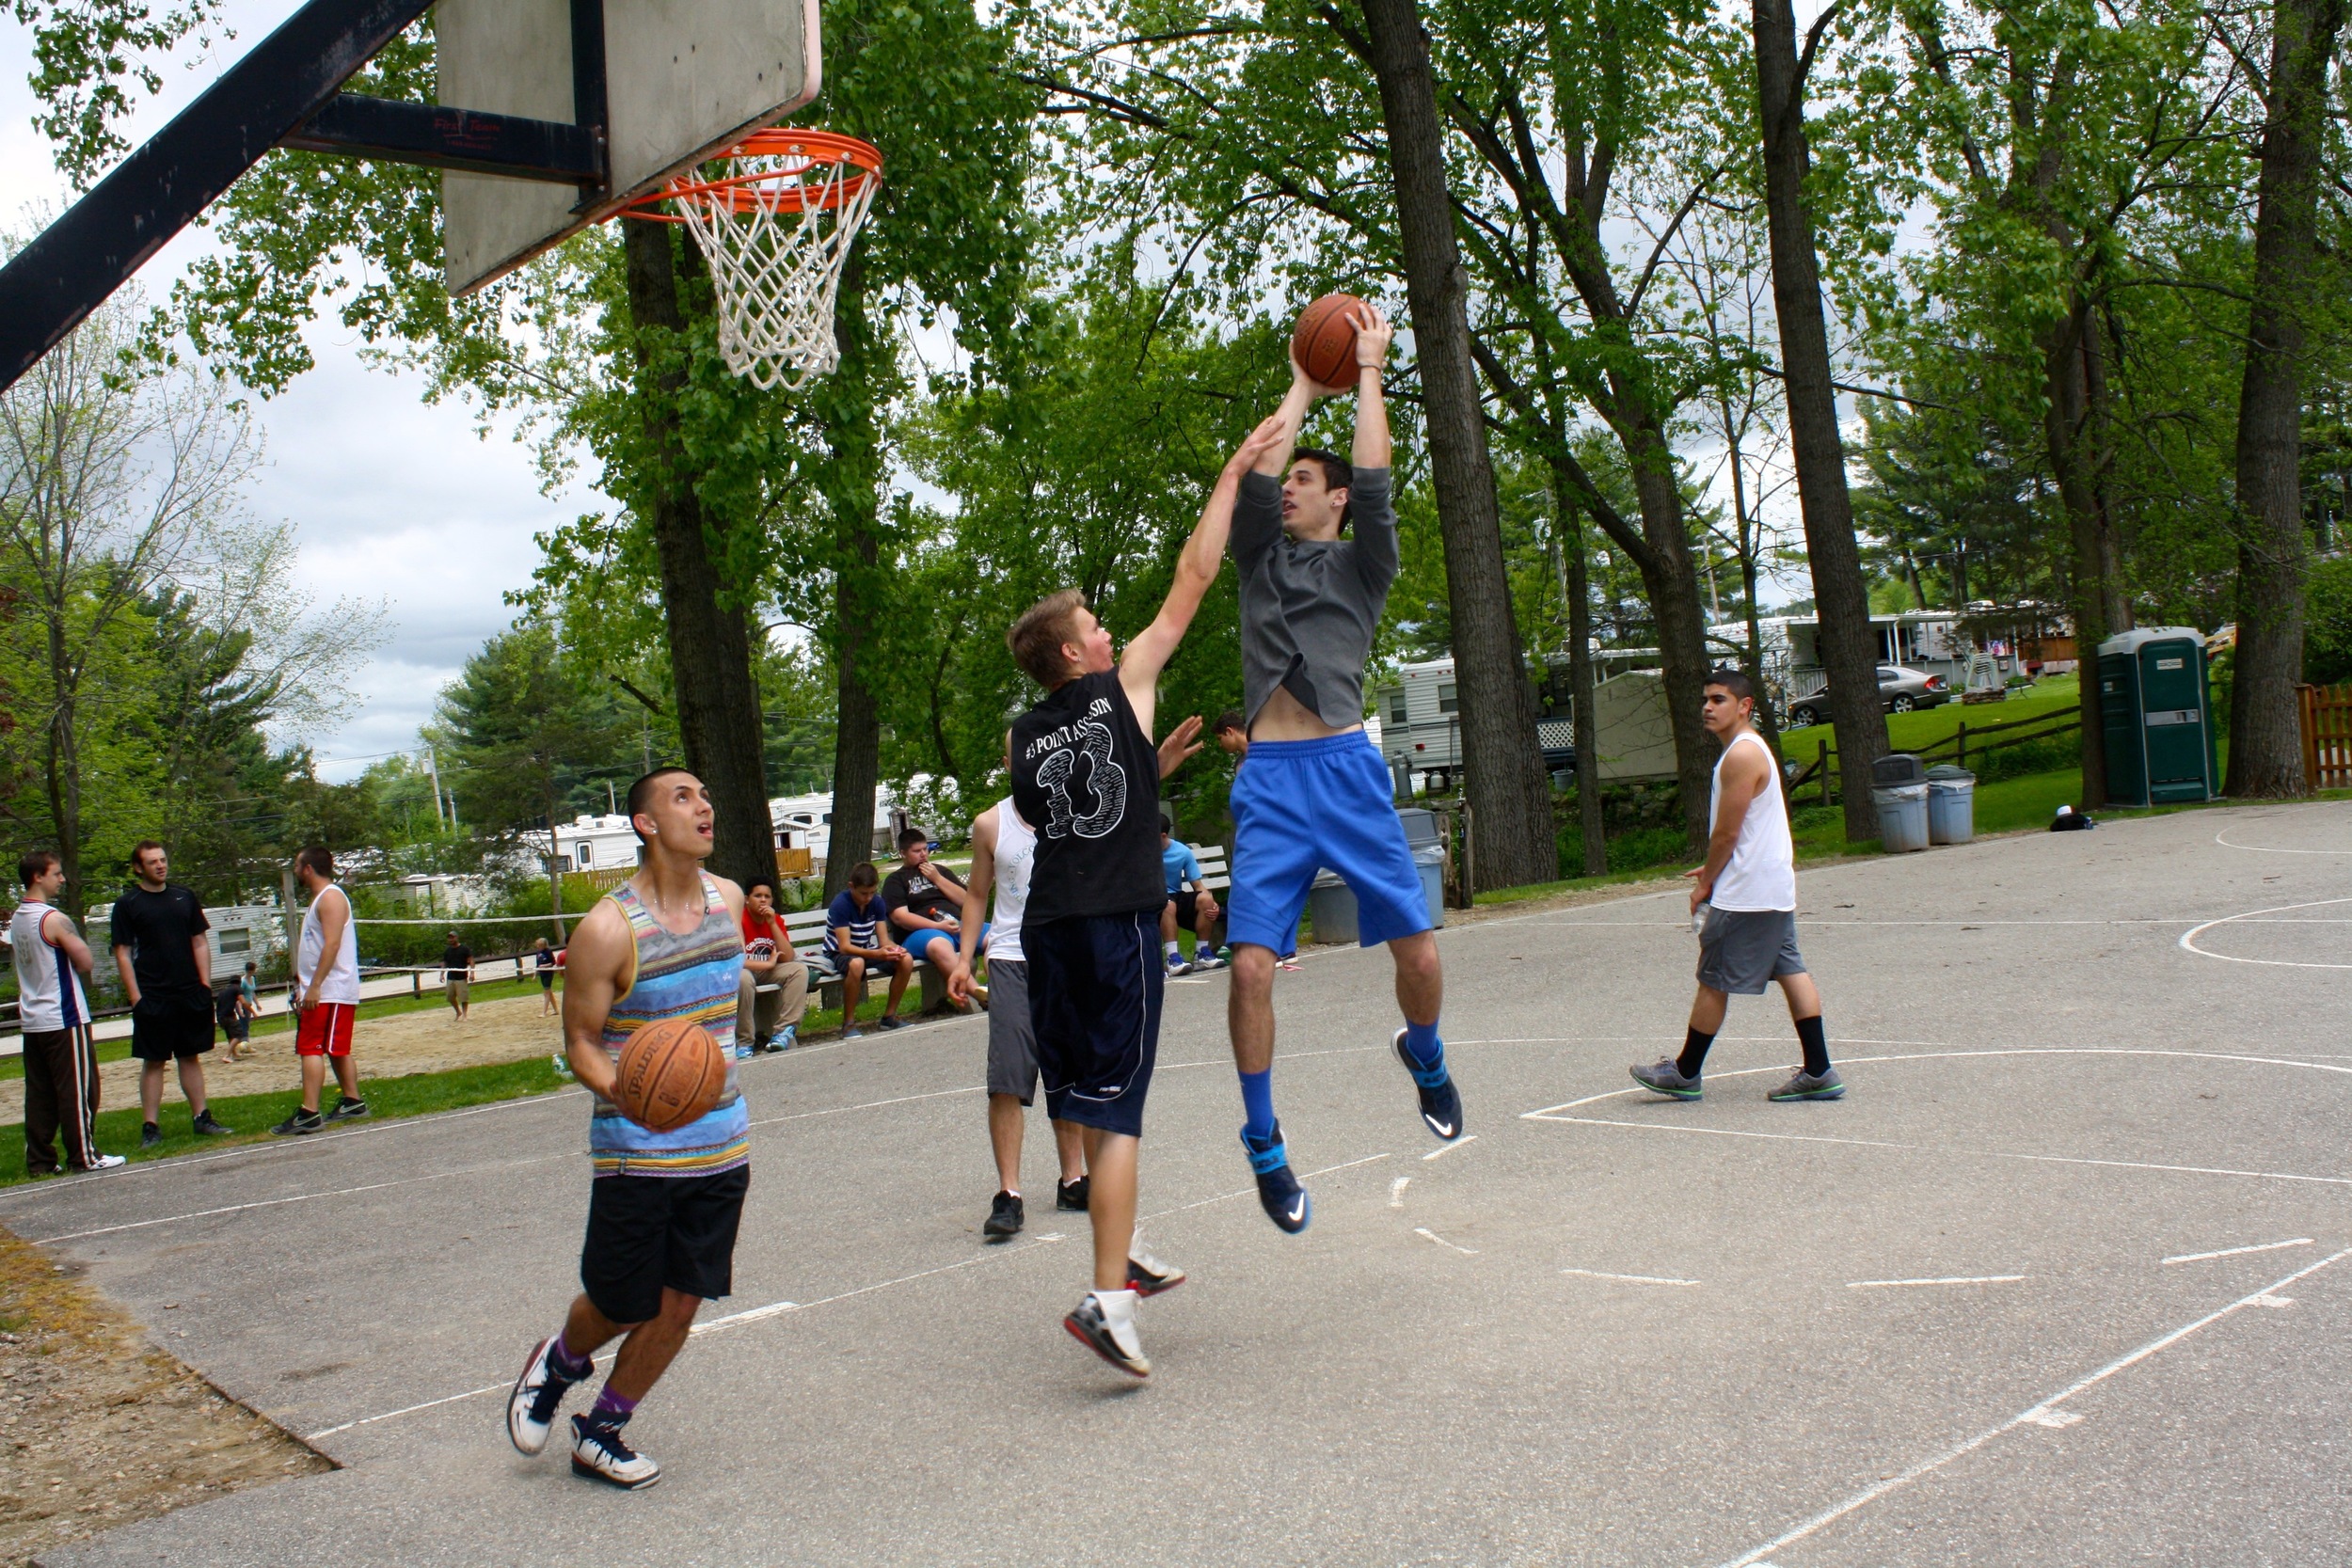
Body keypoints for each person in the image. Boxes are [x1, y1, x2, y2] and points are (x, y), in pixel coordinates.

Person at [946, 414, 1279, 1378]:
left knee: (1088, 1092)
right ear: (1076, 655)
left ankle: (1116, 1239)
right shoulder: (1119, 681)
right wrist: (1228, 471)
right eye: (1093, 624)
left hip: (1045, 929)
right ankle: (1107, 1299)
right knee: (1121, 1105)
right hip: (1115, 924)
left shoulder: (1026, 737)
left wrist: (1148, 763)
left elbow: (1079, 811)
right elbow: (1193, 579)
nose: (1108, 628)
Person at [1221, 305, 1458, 1238]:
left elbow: (1374, 470)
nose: (1293, 489)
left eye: (1309, 481)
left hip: (1348, 770)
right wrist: (1300, 383)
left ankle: (1427, 1055)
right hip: (1273, 783)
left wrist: (1366, 369)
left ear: (1338, 503)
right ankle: (1264, 1140)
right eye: (1294, 478)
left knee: (1423, 954)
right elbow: (1255, 479)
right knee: (1247, 971)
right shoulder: (1256, 561)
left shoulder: (1366, 564)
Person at [504, 768, 754, 1490]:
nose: (704, 805)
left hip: (723, 1142)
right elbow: (581, 1038)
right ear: (644, 823)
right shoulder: (608, 929)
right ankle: (557, 1366)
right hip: (637, 1151)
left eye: (707, 794)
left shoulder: (729, 900)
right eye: (682, 797)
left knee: (681, 1301)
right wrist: (630, 1092)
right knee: (621, 1301)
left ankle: (603, 1427)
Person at [957, 722, 1208, 1242]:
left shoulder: (1073, 810)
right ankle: (1009, 1193)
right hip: (1010, 956)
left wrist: (1157, 763)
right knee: (1009, 1072)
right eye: (1018, 757)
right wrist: (964, 957)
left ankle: (1073, 1178)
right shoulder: (991, 824)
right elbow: (977, 895)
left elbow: (1125, 797)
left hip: (1066, 951)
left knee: (1069, 1072)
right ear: (1009, 765)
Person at [1629, 670, 1846, 1103]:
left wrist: (1707, 881)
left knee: (1713, 979)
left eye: (1719, 699)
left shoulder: (1742, 755)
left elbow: (1727, 834)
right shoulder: (1749, 750)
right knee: (1791, 970)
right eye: (1705, 699)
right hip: (1771, 886)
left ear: (1744, 706)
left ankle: (1686, 1072)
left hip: (1747, 892)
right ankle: (1819, 1071)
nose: (1708, 707)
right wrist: (1710, 870)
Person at [111, 842, 231, 1148]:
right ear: (139, 867)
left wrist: (204, 984)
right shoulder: (128, 904)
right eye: (152, 862)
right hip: (152, 995)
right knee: (154, 1060)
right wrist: (136, 997)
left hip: (189, 991)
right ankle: (150, 1126)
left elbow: (200, 942)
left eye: (163, 860)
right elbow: (122, 953)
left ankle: (202, 1117)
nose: (160, 866)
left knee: (190, 1056)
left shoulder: (184, 896)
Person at [11, 850, 122, 1174]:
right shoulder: (52, 918)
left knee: (40, 1093)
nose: (62, 879)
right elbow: (85, 962)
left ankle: (40, 1160)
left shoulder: (18, 918)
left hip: (33, 1018)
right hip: (63, 1016)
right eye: (56, 874)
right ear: (38, 877)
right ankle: (83, 1155)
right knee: (78, 1090)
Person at [271, 847, 371, 1135]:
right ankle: (353, 1101)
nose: (295, 870)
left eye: (296, 865)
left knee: (310, 1047)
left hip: (330, 989)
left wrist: (314, 986)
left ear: (308, 869)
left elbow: (332, 945)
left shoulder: (331, 897)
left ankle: (309, 1112)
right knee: (335, 1048)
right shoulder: (322, 899)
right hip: (325, 988)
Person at [1211, 714, 1299, 973]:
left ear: (1230, 731)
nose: (1220, 745)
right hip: (1255, 832)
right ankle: (1269, 947)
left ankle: (1280, 947)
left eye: (1220, 739)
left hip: (1277, 829)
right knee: (1261, 887)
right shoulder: (1241, 763)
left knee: (1276, 886)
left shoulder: (1270, 749)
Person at [882, 830, 987, 990]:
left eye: (925, 849)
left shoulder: (940, 871)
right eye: (917, 851)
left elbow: (967, 901)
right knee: (940, 946)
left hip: (959, 925)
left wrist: (937, 879)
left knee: (996, 938)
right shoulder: (896, 880)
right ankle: (978, 993)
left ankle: (999, 990)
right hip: (922, 933)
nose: (923, 854)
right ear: (902, 853)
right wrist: (938, 926)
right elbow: (900, 917)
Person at [821, 864, 912, 1037]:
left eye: (872, 892)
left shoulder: (877, 902)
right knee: (856, 963)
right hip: (838, 953)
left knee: (905, 959)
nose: (868, 898)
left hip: (865, 950)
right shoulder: (840, 904)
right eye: (863, 893)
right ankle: (848, 1024)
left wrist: (895, 949)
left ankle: (889, 1017)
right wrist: (878, 953)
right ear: (851, 887)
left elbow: (884, 940)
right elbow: (845, 947)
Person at [737, 875, 809, 1055]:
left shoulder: (775, 919)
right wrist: (767, 964)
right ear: (747, 899)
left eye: (767, 896)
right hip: (746, 971)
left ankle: (783, 1032)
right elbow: (735, 960)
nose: (762, 900)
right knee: (742, 978)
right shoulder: (739, 919)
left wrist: (772, 924)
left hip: (768, 970)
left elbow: (788, 957)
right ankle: (745, 1042)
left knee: (799, 970)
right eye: (757, 896)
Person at [1159, 820, 1225, 975]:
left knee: (1206, 900)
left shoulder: (1182, 852)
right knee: (1168, 904)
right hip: (1153, 899)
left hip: (1175, 896)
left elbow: (1198, 885)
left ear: (1163, 835)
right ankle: (1173, 959)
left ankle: (1202, 954)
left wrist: (1213, 904)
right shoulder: (1142, 852)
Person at [442, 931, 473, 1020]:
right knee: (450, 997)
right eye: (449, 938)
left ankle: (464, 1014)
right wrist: (441, 974)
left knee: (463, 997)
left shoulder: (464, 949)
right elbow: (445, 963)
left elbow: (471, 960)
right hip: (451, 977)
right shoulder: (447, 950)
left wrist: (472, 972)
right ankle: (458, 1012)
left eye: (452, 937)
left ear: (456, 937)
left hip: (461, 977)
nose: (451, 939)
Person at [536, 937, 560, 1016]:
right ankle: (556, 1010)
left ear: (544, 945)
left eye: (540, 945)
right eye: (538, 945)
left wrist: (544, 966)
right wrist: (535, 973)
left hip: (548, 974)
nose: (538, 946)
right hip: (542, 974)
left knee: (546, 993)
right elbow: (537, 964)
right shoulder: (538, 953)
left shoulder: (548, 952)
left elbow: (553, 962)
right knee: (549, 992)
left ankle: (544, 1013)